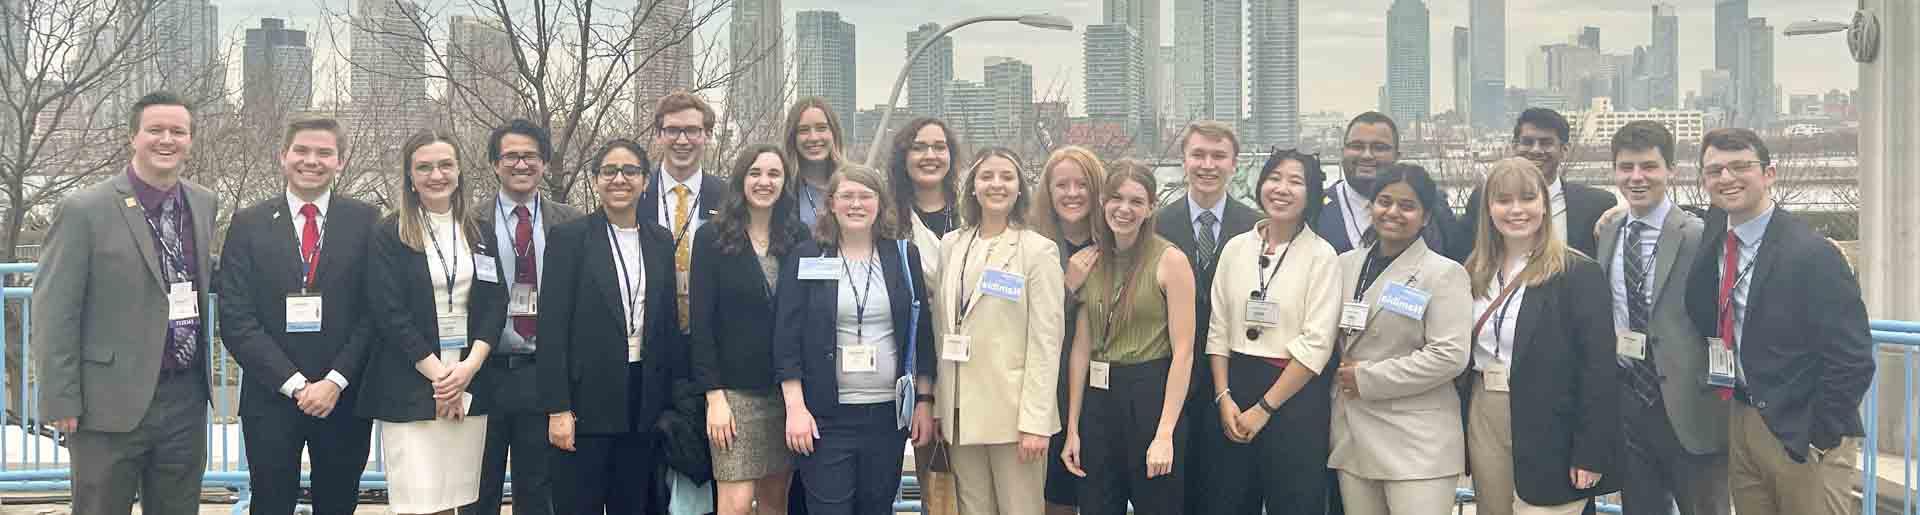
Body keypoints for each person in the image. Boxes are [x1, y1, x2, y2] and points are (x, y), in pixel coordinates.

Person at [34, 91, 221, 515]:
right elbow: (54, 311)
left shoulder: (202, 202)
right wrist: (61, 399)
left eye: (178, 131)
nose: (167, 140)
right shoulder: (84, 209)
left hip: (185, 399)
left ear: (191, 140)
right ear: (132, 137)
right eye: (155, 130)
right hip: (106, 403)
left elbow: (197, 272)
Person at [1683, 128, 1873, 515]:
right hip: (1741, 417)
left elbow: (1853, 358)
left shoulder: (1812, 254)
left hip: (1802, 429)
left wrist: (1821, 434)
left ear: (1768, 174)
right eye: (1715, 170)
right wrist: (1618, 211)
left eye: (1740, 167)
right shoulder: (1716, 235)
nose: (1727, 178)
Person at [216, 116, 377, 515]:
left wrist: (335, 382)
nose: (312, 161)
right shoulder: (248, 223)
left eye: (325, 153)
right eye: (302, 151)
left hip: (344, 395)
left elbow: (375, 313)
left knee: (339, 502)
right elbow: (236, 317)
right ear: (283, 156)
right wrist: (296, 386)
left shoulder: (366, 221)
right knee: (270, 503)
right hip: (271, 396)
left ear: (340, 161)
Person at [774, 165, 938, 515]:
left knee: (876, 509)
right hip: (824, 417)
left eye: (866, 196)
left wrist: (924, 400)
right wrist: (795, 408)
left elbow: (921, 334)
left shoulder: (903, 257)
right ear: (831, 203)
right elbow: (786, 338)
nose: (856, 204)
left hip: (886, 418)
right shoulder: (807, 257)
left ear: (880, 203)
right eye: (847, 196)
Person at [1461, 157, 1619, 515]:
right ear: (1488, 209)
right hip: (1485, 410)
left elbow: (1598, 369)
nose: (1516, 210)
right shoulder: (1473, 272)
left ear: (1545, 206)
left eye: (1528, 198)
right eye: (1503, 200)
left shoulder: (1577, 272)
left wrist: (1590, 451)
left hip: (1553, 419)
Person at [359, 130, 506, 515]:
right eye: (424, 167)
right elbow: (389, 314)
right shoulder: (390, 233)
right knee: (421, 503)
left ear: (459, 171)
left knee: (461, 497)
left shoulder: (479, 232)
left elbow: (494, 304)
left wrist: (468, 369)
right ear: (409, 176)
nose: (436, 174)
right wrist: (443, 380)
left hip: (470, 380)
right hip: (412, 383)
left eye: (445, 165)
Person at [538, 139, 685, 514]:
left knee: (633, 505)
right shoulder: (570, 238)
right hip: (585, 402)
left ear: (646, 181)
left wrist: (672, 403)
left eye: (630, 171)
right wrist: (557, 409)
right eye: (609, 171)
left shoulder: (659, 240)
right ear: (595, 180)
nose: (620, 179)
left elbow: (666, 324)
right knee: (578, 504)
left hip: (643, 401)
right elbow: (552, 329)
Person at [1326, 163, 1472, 515]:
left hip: (1416, 442)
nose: (1393, 212)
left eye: (1407, 206)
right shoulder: (1344, 264)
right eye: (1384, 201)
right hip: (1353, 435)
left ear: (1425, 217)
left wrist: (1368, 378)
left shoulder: (1444, 273)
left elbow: (1450, 355)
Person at [1599, 121, 1729, 515]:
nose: (1637, 177)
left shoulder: (1697, 236)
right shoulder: (1608, 231)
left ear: (1670, 171)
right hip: (1629, 403)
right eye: (1626, 167)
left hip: (1687, 405)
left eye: (1649, 166)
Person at [1201, 149, 1340, 514]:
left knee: (1294, 503)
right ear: (1260, 184)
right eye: (1274, 178)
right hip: (1234, 391)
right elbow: (1218, 329)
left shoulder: (1321, 256)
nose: (1282, 188)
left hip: (1293, 396)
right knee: (1227, 501)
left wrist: (1264, 408)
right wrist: (1223, 396)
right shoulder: (1235, 248)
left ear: (1311, 194)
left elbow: (1316, 345)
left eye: (1295, 182)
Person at [932, 147, 1065, 515]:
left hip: (1014, 418)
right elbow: (940, 325)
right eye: (987, 176)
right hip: (961, 414)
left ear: (1020, 188)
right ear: (972, 187)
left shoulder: (1037, 251)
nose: (996, 184)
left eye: (1006, 177)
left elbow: (1046, 341)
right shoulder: (951, 246)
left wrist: (1036, 422)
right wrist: (943, 404)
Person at [1060, 159, 1198, 515]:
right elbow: (1080, 348)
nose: (1124, 209)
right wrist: (1073, 427)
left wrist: (1165, 432)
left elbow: (1184, 353)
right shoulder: (1091, 260)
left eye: (1136, 201)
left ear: (1151, 207)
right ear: (1103, 201)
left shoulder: (1170, 261)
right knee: (1096, 506)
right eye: (1116, 198)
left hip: (1150, 395)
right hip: (1098, 400)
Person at [465, 118, 585, 515]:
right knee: (476, 492)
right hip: (482, 372)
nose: (521, 164)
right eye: (511, 156)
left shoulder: (570, 222)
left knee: (538, 494)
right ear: (495, 164)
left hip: (543, 374)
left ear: (545, 164)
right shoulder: (468, 220)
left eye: (530, 156)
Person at [692, 144, 810, 515]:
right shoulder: (711, 237)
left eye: (774, 174)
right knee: (736, 503)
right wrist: (714, 398)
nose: (764, 181)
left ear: (785, 182)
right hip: (733, 394)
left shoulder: (798, 237)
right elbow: (702, 324)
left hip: (785, 393)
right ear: (741, 179)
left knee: (777, 501)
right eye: (755, 173)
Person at [1150, 121, 1257, 514]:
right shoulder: (1156, 224)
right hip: (1167, 381)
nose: (1207, 165)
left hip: (1235, 381)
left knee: (1232, 496)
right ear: (1183, 161)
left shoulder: (1257, 226)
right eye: (1198, 155)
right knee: (1174, 495)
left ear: (1235, 164)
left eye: (1218, 156)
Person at [1027, 146, 1107, 515]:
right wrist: (1066, 287)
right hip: (1049, 385)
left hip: (1108, 388)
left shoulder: (1116, 243)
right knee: (1055, 492)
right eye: (1062, 185)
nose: (1072, 193)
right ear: (1048, 191)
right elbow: (1019, 321)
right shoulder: (1030, 245)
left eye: (1082, 184)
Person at [1457, 108, 1617, 259]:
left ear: (1564, 150)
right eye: (1527, 142)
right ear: (1514, 147)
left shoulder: (1597, 205)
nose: (1535, 150)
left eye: (1546, 143)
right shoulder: (1483, 197)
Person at [1317, 112, 1464, 258]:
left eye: (1379, 147)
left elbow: (1455, 258)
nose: (1366, 155)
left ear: (1397, 156)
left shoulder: (1431, 202)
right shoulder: (1315, 207)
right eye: (1357, 146)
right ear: (1343, 152)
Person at [640, 90, 728, 334]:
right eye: (672, 130)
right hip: (651, 334)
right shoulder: (637, 196)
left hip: (711, 335)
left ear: (707, 135)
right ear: (658, 135)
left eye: (692, 130)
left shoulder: (728, 199)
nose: (682, 140)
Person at [785, 96, 848, 229]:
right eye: (803, 130)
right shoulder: (783, 189)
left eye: (821, 128)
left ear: (834, 133)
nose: (813, 137)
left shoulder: (854, 184)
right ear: (792, 138)